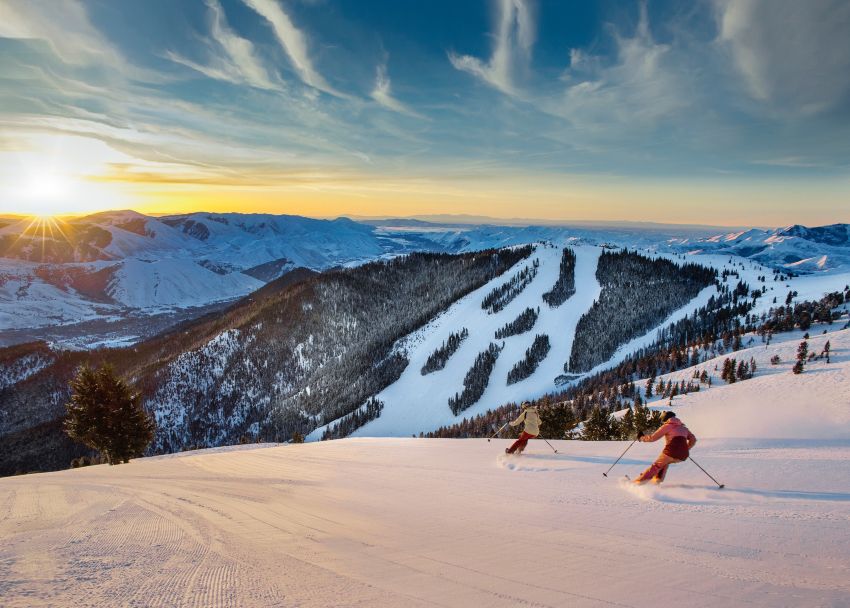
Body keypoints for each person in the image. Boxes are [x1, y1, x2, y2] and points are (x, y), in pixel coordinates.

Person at [633, 411, 696, 484]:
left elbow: (653, 438)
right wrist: (686, 449)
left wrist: (641, 437)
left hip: (671, 451)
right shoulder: (684, 428)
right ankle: (657, 480)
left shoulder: (667, 426)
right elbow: (693, 439)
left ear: (665, 419)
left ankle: (639, 482)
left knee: (656, 466)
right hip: (683, 455)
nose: (663, 422)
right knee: (664, 463)